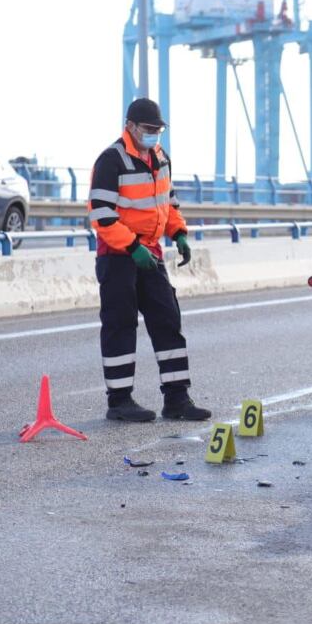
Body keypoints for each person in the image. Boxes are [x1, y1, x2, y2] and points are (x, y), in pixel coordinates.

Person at [87, 98, 211, 422]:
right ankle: (119, 401)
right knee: (120, 324)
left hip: (150, 252)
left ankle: (177, 399)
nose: (154, 135)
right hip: (118, 256)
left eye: (158, 130)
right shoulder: (111, 160)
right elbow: (101, 215)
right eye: (149, 129)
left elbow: (167, 203)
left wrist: (179, 233)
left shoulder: (160, 158)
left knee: (168, 319)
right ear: (130, 126)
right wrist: (131, 247)